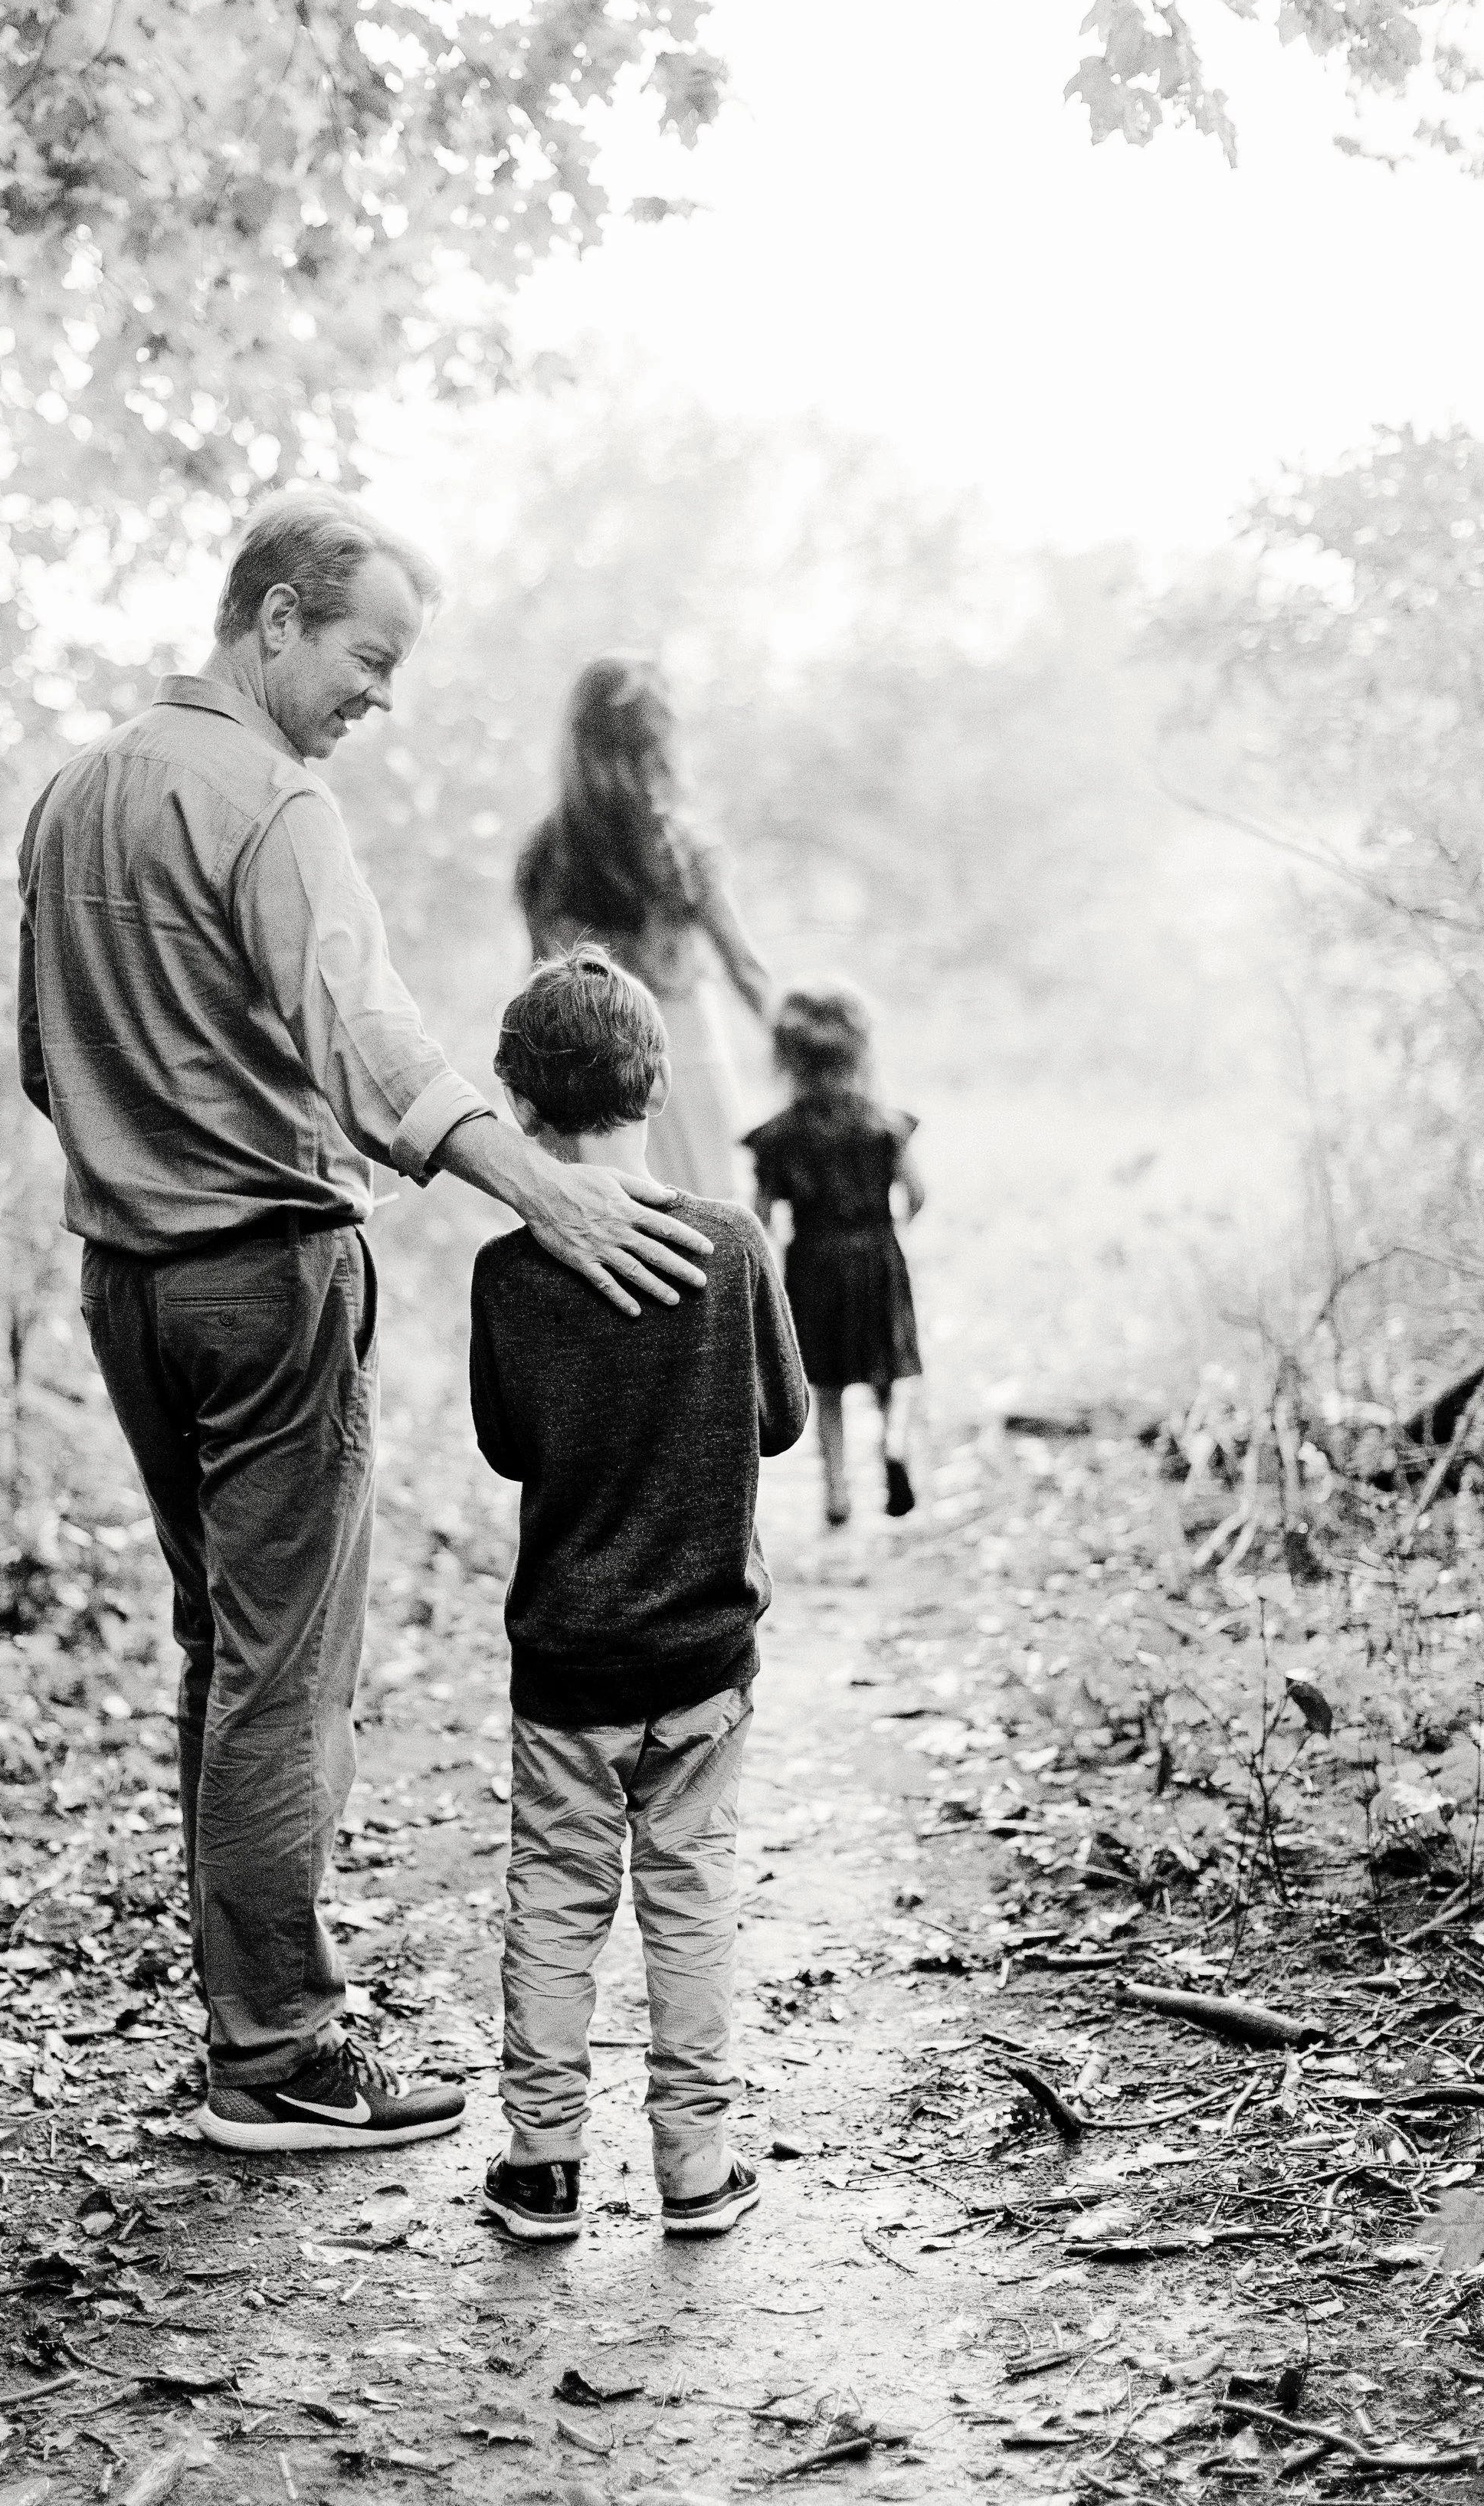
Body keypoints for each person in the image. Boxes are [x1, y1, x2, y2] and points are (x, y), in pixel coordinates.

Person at [17, 490, 714, 2154]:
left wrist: (149, 1154)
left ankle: (244, 2028)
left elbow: (48, 1063)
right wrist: (533, 1188)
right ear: (273, 619)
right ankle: (277, 2063)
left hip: (125, 1284)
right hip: (260, 1279)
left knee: (220, 1646)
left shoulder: (70, 799)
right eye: (366, 659)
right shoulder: (277, 805)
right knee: (281, 1672)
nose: (375, 699)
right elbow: (365, 1039)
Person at [467, 948, 808, 2242]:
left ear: (522, 1106)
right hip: (705, 1662)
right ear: (655, 1081)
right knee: (691, 1897)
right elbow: (779, 1421)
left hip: (567, 1664)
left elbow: (508, 1445)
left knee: (557, 1901)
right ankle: (697, 2171)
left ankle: (544, 2169)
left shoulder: (509, 1274)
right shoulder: (730, 1245)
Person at [516, 656, 770, 1200]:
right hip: (687, 1060)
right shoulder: (680, 849)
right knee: (715, 1230)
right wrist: (818, 1064)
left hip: (596, 1081)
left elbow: (544, 997)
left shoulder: (546, 858)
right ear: (656, 746)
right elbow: (748, 971)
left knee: (625, 1237)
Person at [744, 983, 925, 1528]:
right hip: (876, 1254)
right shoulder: (885, 1125)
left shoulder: (779, 1136)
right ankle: (894, 1449)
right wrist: (890, 1231)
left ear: (789, 1060)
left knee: (825, 1382)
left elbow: (760, 1214)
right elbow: (917, 1194)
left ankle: (837, 1490)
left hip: (814, 1263)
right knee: (889, 1370)